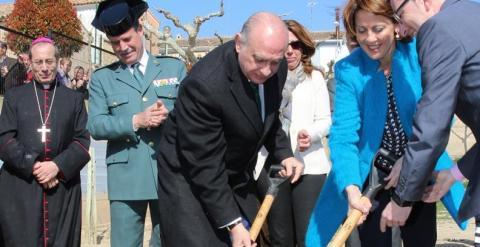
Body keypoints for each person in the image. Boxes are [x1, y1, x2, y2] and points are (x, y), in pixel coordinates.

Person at [305, 0, 463, 246]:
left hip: (419, 169)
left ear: (395, 25)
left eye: (378, 28)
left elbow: (440, 113)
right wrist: (352, 189)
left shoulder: (418, 55)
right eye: (361, 30)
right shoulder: (348, 70)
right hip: (371, 176)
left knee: (422, 240)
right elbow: (344, 136)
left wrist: (410, 160)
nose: (370, 39)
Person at [156, 12, 304, 247]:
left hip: (233, 174)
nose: (267, 71)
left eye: (274, 62)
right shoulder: (204, 85)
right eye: (259, 60)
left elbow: (268, 118)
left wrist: (284, 153)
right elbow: (205, 164)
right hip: (189, 178)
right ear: (238, 43)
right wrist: (233, 223)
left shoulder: (278, 66)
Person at [88, 0, 187, 246]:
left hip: (168, 172)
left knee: (169, 240)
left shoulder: (172, 67)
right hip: (125, 178)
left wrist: (170, 112)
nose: (122, 47)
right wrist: (135, 120)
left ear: (140, 29)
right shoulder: (103, 79)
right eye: (115, 43)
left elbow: (193, 113)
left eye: (127, 39)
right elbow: (96, 125)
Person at [386, 0, 480, 231]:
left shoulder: (439, 29)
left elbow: (432, 126)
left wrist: (403, 198)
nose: (400, 30)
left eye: (399, 16)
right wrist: (453, 174)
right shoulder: (472, 11)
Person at [0, 37, 90, 246]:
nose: (44, 68)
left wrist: (57, 166)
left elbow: (82, 141)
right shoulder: (14, 96)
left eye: (49, 61)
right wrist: (34, 164)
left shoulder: (74, 98)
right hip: (22, 186)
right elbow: (4, 138)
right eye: (39, 62)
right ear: (30, 62)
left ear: (57, 62)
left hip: (62, 186)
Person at [255, 19, 331, 247]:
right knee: (280, 237)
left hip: (309, 164)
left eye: (296, 45)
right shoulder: (263, 78)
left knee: (309, 236)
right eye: (285, 44)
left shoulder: (314, 78)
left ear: (304, 47)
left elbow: (326, 120)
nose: (290, 51)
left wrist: (312, 134)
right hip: (272, 165)